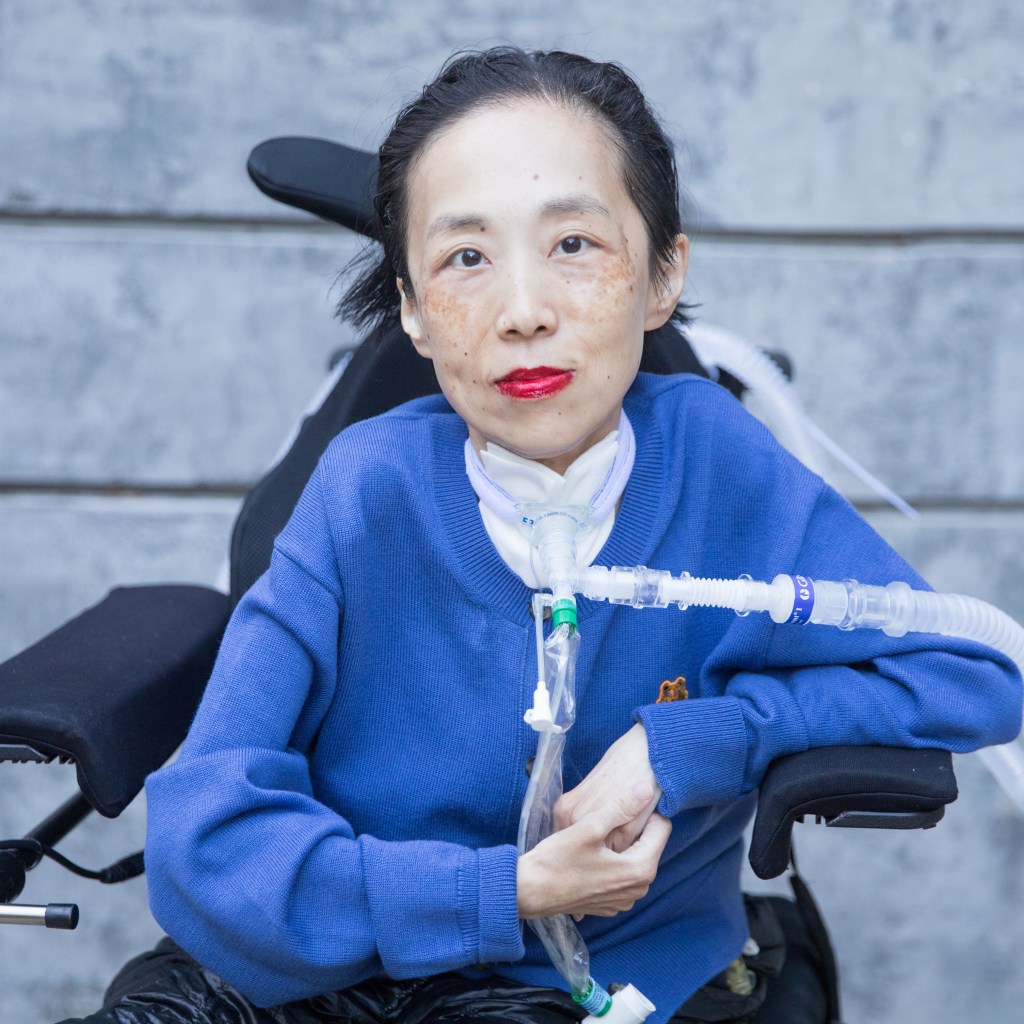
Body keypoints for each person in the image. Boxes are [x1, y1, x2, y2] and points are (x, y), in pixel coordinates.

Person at [64, 46, 1021, 1024]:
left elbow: (974, 667)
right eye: (465, 258)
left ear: (660, 275)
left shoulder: (722, 469)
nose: (523, 313)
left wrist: (693, 740)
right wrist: (505, 890)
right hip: (334, 972)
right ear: (412, 308)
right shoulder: (364, 490)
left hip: (595, 983)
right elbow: (205, 842)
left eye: (573, 244)